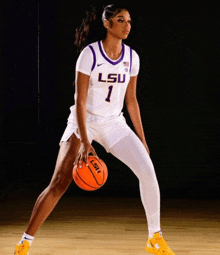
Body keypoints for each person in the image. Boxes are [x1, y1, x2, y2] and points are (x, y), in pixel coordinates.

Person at [14, 4, 175, 255]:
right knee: (58, 183)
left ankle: (154, 237)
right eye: (120, 20)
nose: (127, 25)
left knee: (148, 171)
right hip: (83, 122)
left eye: (129, 21)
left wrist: (142, 140)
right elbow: (79, 99)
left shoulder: (132, 57)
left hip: (114, 124)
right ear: (107, 24)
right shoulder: (90, 55)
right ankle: (25, 241)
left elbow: (131, 101)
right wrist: (86, 141)